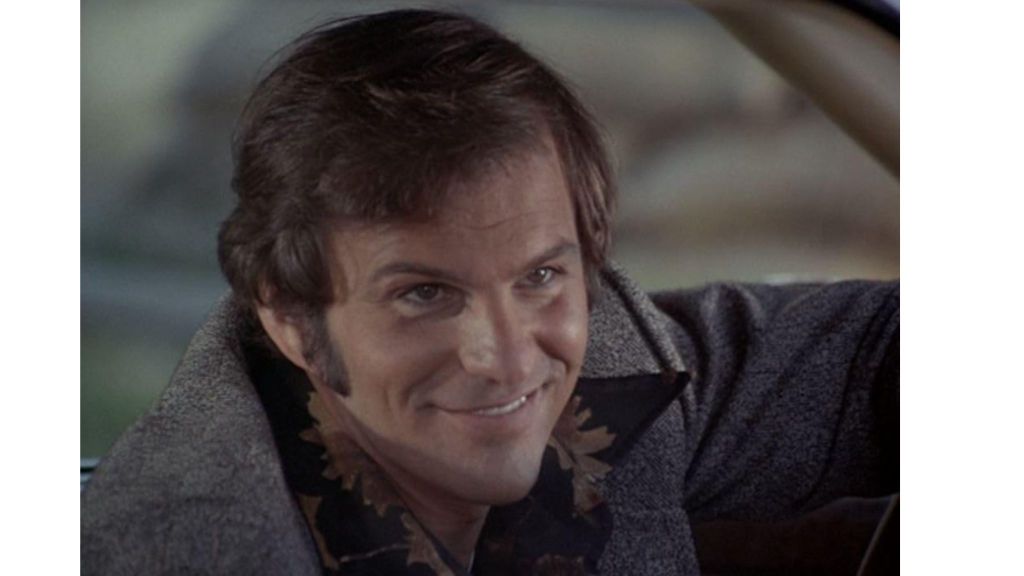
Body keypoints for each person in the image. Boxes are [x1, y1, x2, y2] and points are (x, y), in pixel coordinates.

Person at [81, 9, 898, 576]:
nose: (507, 358)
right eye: (424, 295)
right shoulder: (194, 546)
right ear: (292, 318)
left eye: (540, 276)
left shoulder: (617, 365)